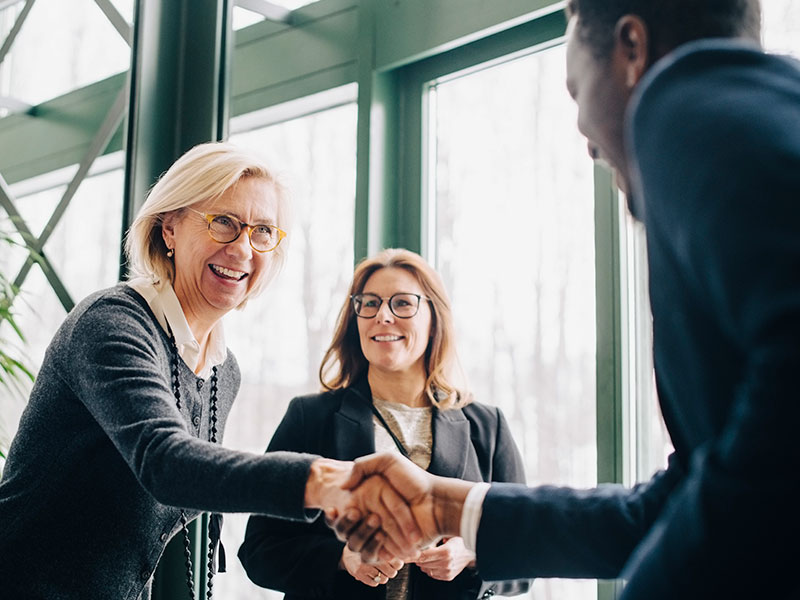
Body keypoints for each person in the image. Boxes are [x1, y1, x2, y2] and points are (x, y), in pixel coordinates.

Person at [332, 1, 800, 598]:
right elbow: (683, 497)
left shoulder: (689, 104)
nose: (585, 139)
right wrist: (448, 505)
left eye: (576, 91)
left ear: (632, 50)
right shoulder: (764, 113)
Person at [0, 142, 421, 600]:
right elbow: (167, 464)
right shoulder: (111, 323)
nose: (242, 248)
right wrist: (330, 483)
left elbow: (191, 498)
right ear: (170, 229)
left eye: (263, 231)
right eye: (223, 222)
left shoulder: (224, 370)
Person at [238, 248, 530, 600]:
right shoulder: (309, 417)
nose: (383, 316)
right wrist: (343, 559)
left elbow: (526, 553)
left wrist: (471, 557)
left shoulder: (488, 426)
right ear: (355, 318)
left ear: (434, 318)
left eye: (403, 304)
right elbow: (258, 550)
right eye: (370, 303)